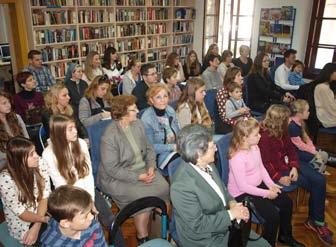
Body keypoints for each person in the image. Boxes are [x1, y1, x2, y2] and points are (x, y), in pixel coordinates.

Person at [171, 124, 270, 247]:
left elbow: (222, 189)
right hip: (205, 238)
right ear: (198, 153)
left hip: (224, 225)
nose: (217, 149)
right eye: (213, 146)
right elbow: (198, 225)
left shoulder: (208, 164)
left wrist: (232, 203)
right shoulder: (181, 187)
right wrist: (231, 214)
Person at [97, 95, 169, 245]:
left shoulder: (138, 124)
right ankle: (142, 237)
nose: (137, 110)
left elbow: (149, 149)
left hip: (142, 169)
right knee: (141, 198)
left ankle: (154, 228)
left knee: (164, 187)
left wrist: (151, 166)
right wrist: (138, 177)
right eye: (133, 109)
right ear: (122, 114)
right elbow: (112, 169)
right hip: (118, 177)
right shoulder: (109, 136)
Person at [258, 104, 333, 245]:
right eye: (287, 119)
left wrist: (294, 166)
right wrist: (278, 177)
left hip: (289, 166)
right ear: (279, 121)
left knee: (319, 180)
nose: (290, 121)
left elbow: (291, 150)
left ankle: (316, 221)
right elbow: (265, 163)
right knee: (315, 183)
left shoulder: (283, 130)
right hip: (279, 171)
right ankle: (316, 221)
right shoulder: (264, 137)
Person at [228, 118, 305, 247]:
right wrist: (266, 193)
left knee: (287, 202)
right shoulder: (237, 157)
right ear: (244, 138)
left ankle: (285, 236)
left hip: (258, 186)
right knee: (272, 216)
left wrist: (271, 185)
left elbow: (261, 168)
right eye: (256, 134)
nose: (260, 136)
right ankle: (268, 244)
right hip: (243, 193)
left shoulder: (254, 147)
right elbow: (243, 186)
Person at [0, 137, 50, 245]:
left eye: (35, 151)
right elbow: (21, 213)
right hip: (23, 222)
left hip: (41, 211)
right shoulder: (5, 179)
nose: (37, 156)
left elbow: (44, 196)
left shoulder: (40, 163)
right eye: (31, 154)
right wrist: (42, 220)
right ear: (19, 159)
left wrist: (38, 224)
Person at [42, 114, 94, 200]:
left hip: (87, 190)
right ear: (59, 132)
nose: (75, 131)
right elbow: (60, 185)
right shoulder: (48, 154)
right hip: (68, 197)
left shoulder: (81, 143)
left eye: (74, 127)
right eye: (70, 129)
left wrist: (91, 199)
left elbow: (88, 174)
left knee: (106, 213)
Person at [40, 185, 106, 247]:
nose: (91, 217)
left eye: (90, 211)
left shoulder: (93, 225)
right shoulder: (51, 244)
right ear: (66, 223)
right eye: (85, 216)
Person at [141, 84, 181, 175]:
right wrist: (173, 147)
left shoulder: (170, 110)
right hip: (159, 156)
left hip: (176, 149)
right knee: (185, 162)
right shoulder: (147, 119)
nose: (163, 100)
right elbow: (150, 147)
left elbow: (178, 133)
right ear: (151, 100)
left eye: (165, 96)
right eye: (158, 97)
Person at [289, 99, 336, 173]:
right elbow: (300, 146)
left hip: (300, 149)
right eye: (307, 111)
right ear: (300, 114)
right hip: (294, 152)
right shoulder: (292, 127)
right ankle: (314, 170)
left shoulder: (299, 122)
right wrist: (314, 152)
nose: (309, 112)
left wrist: (313, 148)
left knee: (323, 153)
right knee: (318, 155)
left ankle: (320, 168)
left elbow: (306, 138)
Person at [0, 92, 29, 169]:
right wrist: (14, 156)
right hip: (5, 159)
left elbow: (26, 139)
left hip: (21, 153)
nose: (8, 105)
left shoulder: (16, 117)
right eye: (4, 103)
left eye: (9, 101)